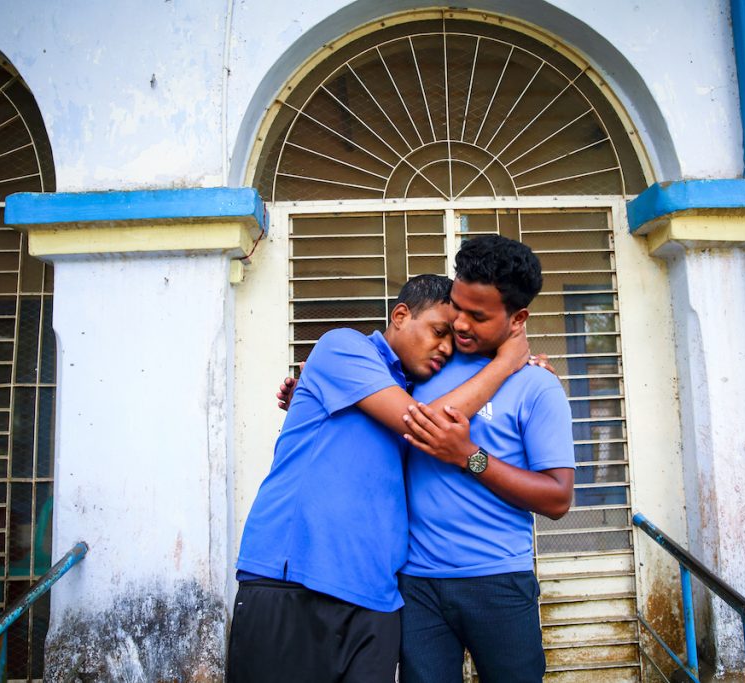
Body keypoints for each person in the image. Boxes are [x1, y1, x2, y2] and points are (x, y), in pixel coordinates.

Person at [228, 274, 531, 683]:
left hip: (377, 599)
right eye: (439, 332)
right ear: (401, 315)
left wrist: (525, 373)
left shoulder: (415, 390)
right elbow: (424, 426)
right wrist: (506, 364)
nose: (446, 348)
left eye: (453, 342)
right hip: (296, 580)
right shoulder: (343, 346)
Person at [398, 235, 575, 683]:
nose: (460, 324)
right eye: (457, 307)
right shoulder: (427, 362)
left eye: (478, 316)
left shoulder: (537, 385)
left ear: (518, 319)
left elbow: (557, 499)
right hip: (417, 583)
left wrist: (469, 457)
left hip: (498, 581)